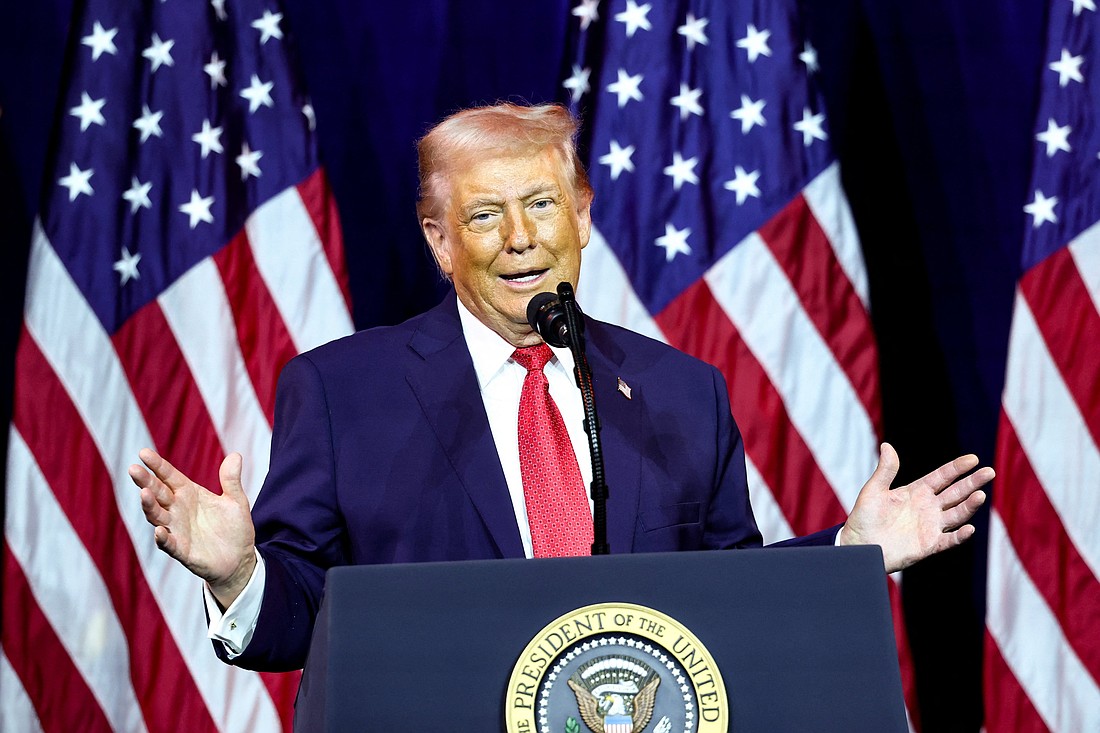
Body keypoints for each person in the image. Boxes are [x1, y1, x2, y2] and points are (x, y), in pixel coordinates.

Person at [129, 102, 993, 672]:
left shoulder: (682, 392)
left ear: (580, 217)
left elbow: (727, 600)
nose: (519, 239)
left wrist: (850, 556)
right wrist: (240, 572)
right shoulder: (342, 392)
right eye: (482, 215)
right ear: (438, 241)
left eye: (542, 205)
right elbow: (303, 621)